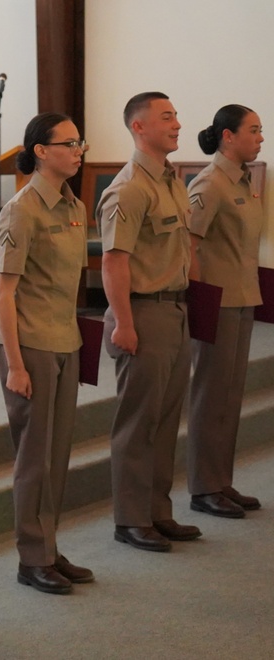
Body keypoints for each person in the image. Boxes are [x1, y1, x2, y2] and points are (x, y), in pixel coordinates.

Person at [0, 112, 93, 594]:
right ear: (39, 150)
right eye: (69, 143)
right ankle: (32, 558)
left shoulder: (74, 204)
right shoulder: (22, 209)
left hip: (65, 342)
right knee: (34, 458)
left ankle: (48, 547)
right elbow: (4, 293)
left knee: (56, 455)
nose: (78, 151)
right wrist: (13, 363)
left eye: (81, 143)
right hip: (29, 345)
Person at [97, 91, 198, 553]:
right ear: (138, 127)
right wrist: (123, 322)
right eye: (166, 117)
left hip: (174, 310)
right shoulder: (129, 188)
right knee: (138, 422)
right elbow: (114, 261)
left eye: (176, 116)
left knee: (166, 417)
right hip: (143, 311)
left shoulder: (173, 182)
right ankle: (131, 518)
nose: (176, 124)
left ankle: (158, 511)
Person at [185, 105, 265, 518]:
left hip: (243, 298)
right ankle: (202, 487)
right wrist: (200, 305)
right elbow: (189, 245)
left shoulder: (246, 181)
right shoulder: (209, 183)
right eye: (254, 130)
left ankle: (221, 481)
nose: (261, 138)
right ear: (228, 137)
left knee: (230, 398)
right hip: (217, 303)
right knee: (210, 397)